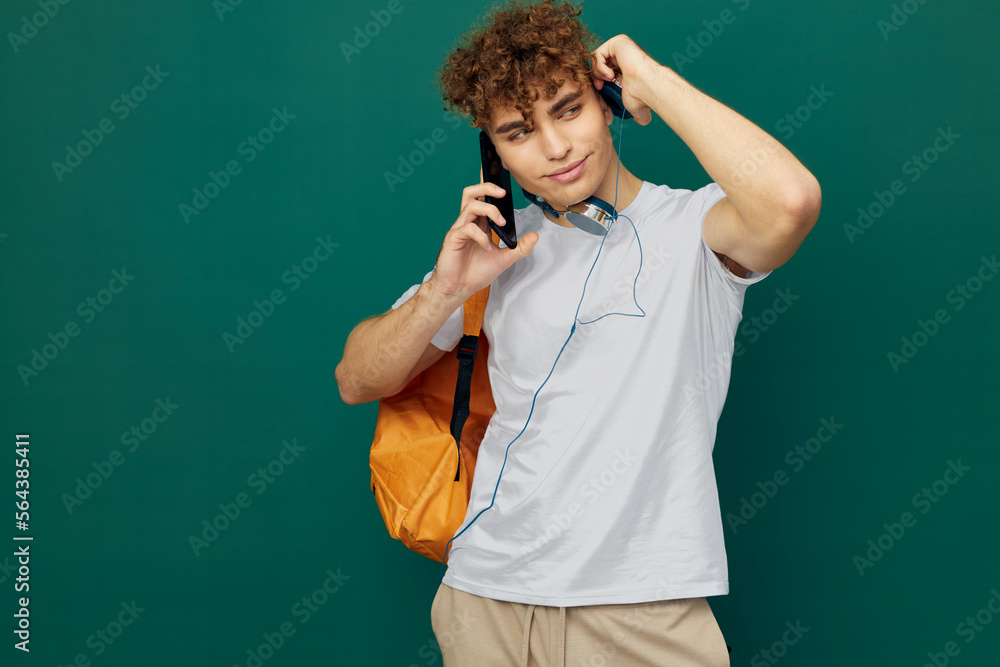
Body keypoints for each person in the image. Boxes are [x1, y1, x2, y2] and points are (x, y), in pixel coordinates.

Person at [336, 0, 821, 664]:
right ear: (492, 150)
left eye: (569, 109)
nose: (555, 148)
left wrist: (650, 75)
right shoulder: (489, 255)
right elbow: (356, 379)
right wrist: (444, 291)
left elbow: (791, 201)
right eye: (518, 131)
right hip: (488, 599)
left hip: (644, 608)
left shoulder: (694, 229)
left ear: (608, 102)